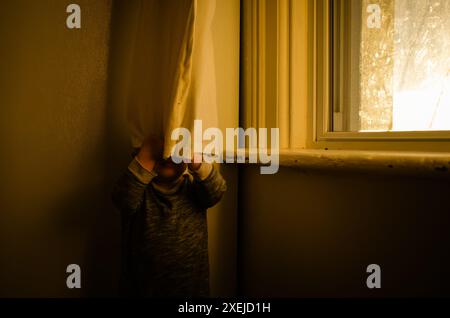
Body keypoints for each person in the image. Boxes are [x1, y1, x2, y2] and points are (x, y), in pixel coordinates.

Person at [112, 135, 227, 297]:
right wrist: (147, 153)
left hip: (191, 289)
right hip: (142, 289)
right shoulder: (138, 192)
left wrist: (196, 159)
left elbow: (217, 190)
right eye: (160, 152)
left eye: (173, 151)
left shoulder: (194, 189)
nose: (166, 155)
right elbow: (122, 200)